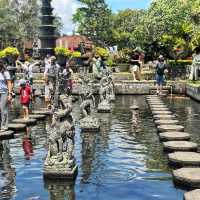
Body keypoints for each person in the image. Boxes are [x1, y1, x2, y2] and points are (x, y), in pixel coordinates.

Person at [0, 60, 12, 131]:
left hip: (4, 92)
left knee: (3, 109)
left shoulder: (5, 72)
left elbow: (9, 83)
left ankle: (4, 126)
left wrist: (10, 94)